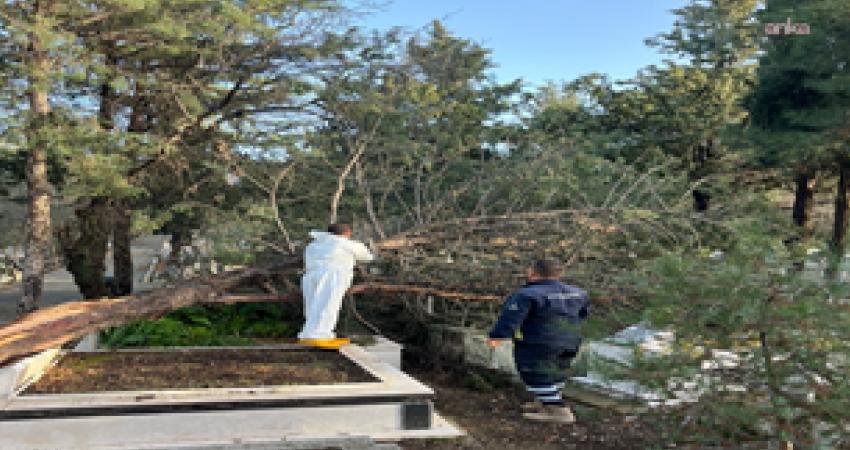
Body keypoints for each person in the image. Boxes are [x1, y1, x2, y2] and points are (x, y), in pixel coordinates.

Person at [488, 259, 590, 424]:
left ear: (533, 273)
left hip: (539, 342)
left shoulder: (527, 294)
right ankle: (545, 403)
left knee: (534, 374)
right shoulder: (579, 293)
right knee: (556, 372)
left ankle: (558, 410)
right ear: (559, 274)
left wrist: (497, 336)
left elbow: (511, 318)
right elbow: (583, 314)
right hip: (571, 340)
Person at [298, 223, 374, 349]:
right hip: (332, 275)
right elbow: (367, 257)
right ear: (347, 233)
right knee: (329, 305)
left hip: (310, 276)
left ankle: (308, 334)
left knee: (313, 306)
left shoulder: (313, 245)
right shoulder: (347, 244)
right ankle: (320, 336)